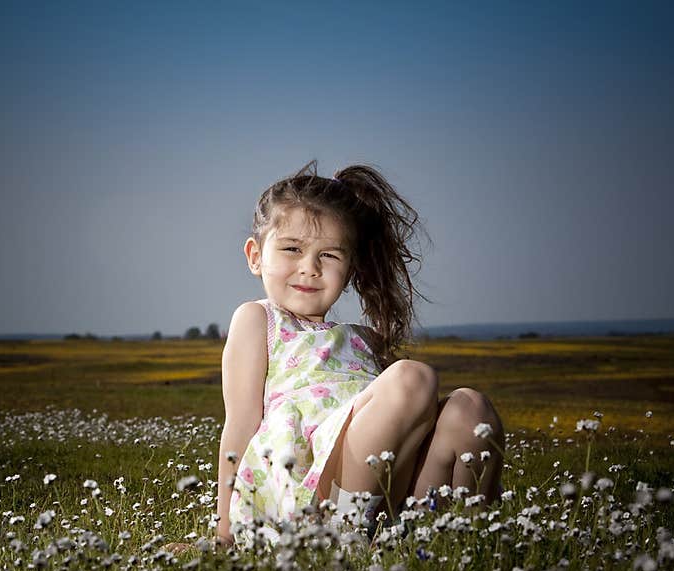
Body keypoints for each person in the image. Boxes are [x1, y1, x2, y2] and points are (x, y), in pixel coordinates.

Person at [215, 160, 505, 549]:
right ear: (255, 255)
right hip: (307, 498)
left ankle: (457, 537)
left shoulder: (362, 338)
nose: (309, 268)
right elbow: (240, 424)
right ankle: (342, 536)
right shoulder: (258, 319)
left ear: (349, 270)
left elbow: (405, 432)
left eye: (330, 256)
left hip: (386, 497)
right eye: (291, 249)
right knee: (413, 378)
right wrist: (223, 534)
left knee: (471, 407)